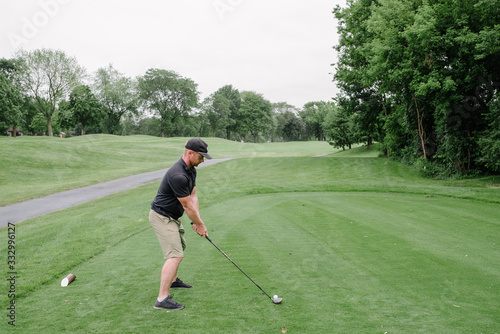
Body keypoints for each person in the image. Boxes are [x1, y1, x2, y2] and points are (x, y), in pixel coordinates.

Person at [149, 138, 211, 310]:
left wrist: (195, 221)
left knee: (180, 247)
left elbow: (193, 197)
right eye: (201, 156)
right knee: (175, 255)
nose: (203, 160)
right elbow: (186, 205)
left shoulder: (191, 170)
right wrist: (201, 224)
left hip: (173, 217)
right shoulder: (178, 174)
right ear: (190, 153)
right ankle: (162, 299)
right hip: (162, 217)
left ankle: (174, 281)